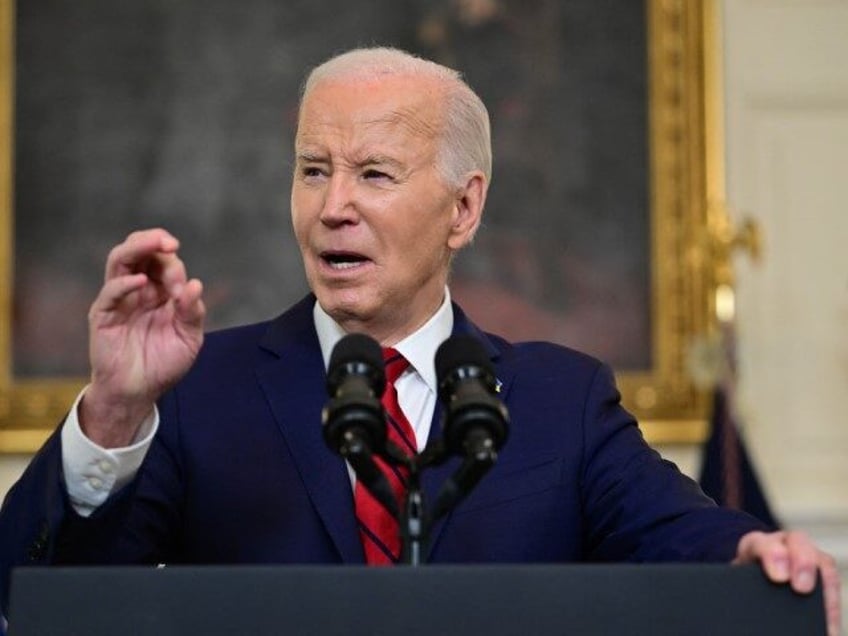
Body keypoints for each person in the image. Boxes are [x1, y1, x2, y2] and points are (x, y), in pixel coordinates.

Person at [0, 47, 841, 634]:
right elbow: (36, 599)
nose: (333, 206)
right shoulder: (198, 392)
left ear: (464, 210)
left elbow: (682, 538)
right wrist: (110, 415)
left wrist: (753, 550)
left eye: (373, 174)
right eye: (313, 169)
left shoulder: (561, 402)